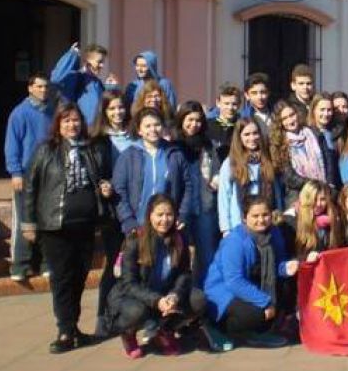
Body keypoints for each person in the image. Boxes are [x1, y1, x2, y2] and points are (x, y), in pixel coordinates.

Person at [22, 103, 112, 353]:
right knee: (62, 279)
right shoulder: (46, 150)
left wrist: (104, 188)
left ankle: (73, 328)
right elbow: (31, 187)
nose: (72, 125)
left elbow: (99, 178)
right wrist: (28, 223)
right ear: (58, 126)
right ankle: (64, 330)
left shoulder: (90, 150)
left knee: (79, 277)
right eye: (66, 121)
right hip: (55, 226)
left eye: (75, 121)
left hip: (84, 226)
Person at [104, 194, 206, 358]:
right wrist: (156, 300)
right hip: (134, 296)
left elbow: (184, 274)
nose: (164, 220)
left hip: (165, 294)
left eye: (169, 215)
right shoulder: (135, 240)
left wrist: (174, 296)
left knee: (198, 300)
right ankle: (128, 334)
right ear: (150, 215)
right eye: (159, 215)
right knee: (137, 311)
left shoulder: (180, 239)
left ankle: (165, 331)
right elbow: (129, 283)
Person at [204, 195, 297, 348]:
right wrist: (265, 301)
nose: (261, 220)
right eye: (255, 216)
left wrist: (286, 268)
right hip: (225, 293)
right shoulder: (235, 241)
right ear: (245, 218)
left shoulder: (274, 234)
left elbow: (277, 265)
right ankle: (216, 327)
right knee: (257, 314)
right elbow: (234, 281)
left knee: (286, 290)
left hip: (255, 284)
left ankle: (256, 331)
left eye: (265, 215)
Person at [89, 89, 133, 334]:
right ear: (105, 112)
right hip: (112, 212)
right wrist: (102, 186)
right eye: (112, 109)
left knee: (136, 265)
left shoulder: (134, 135)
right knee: (113, 264)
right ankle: (103, 318)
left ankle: (132, 317)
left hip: (136, 209)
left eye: (121, 108)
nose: (118, 112)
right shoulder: (97, 140)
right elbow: (94, 174)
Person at [5, 73, 54, 282]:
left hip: (48, 173)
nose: (43, 90)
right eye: (39, 86)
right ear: (30, 88)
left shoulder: (52, 111)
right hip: (25, 173)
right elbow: (12, 144)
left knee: (45, 218)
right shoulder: (20, 113)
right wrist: (15, 171)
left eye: (46, 87)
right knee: (25, 218)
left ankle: (44, 262)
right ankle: (20, 265)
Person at [113, 107, 191, 235]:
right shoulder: (128, 156)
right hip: (138, 225)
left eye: (157, 125)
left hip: (167, 223)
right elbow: (119, 190)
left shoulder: (175, 154)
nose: (153, 130)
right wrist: (127, 219)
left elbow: (187, 186)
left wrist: (183, 214)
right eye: (147, 126)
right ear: (139, 130)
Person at [174, 101, 221, 287]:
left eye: (198, 120)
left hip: (205, 206)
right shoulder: (174, 144)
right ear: (181, 120)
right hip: (181, 208)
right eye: (190, 120)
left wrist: (216, 178)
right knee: (180, 254)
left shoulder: (208, 145)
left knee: (207, 254)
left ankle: (205, 294)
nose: (194, 124)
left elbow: (216, 168)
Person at [217, 117, 281, 234]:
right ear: (239, 137)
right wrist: (225, 228)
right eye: (247, 134)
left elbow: (276, 190)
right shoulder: (230, 163)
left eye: (255, 133)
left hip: (265, 221)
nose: (252, 138)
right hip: (239, 222)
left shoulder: (267, 160)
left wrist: (279, 213)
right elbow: (224, 197)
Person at [271, 101, 332, 207]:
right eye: (284, 118)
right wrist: (314, 185)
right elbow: (289, 177)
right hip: (298, 194)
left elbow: (328, 160)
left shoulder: (314, 133)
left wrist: (328, 184)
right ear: (279, 122)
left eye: (292, 115)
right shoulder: (279, 144)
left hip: (323, 190)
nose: (290, 120)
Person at [50, 42, 115, 125]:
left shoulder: (98, 83)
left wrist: (110, 88)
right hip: (81, 131)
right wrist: (72, 54)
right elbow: (56, 78)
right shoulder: (77, 78)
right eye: (99, 62)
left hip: (96, 132)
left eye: (103, 62)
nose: (102, 65)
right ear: (88, 61)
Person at [285, 180, 343, 261]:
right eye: (314, 199)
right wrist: (306, 258)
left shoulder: (332, 218)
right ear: (306, 198)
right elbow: (288, 255)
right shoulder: (291, 220)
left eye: (322, 199)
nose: (318, 204)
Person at [308, 92, 343, 189]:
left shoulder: (337, 133)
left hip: (335, 188)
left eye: (329, 110)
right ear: (314, 110)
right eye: (322, 110)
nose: (326, 114)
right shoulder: (307, 134)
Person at [207, 83, 242, 164]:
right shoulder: (207, 126)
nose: (230, 108)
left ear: (239, 104)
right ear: (218, 103)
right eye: (226, 103)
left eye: (234, 104)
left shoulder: (242, 126)